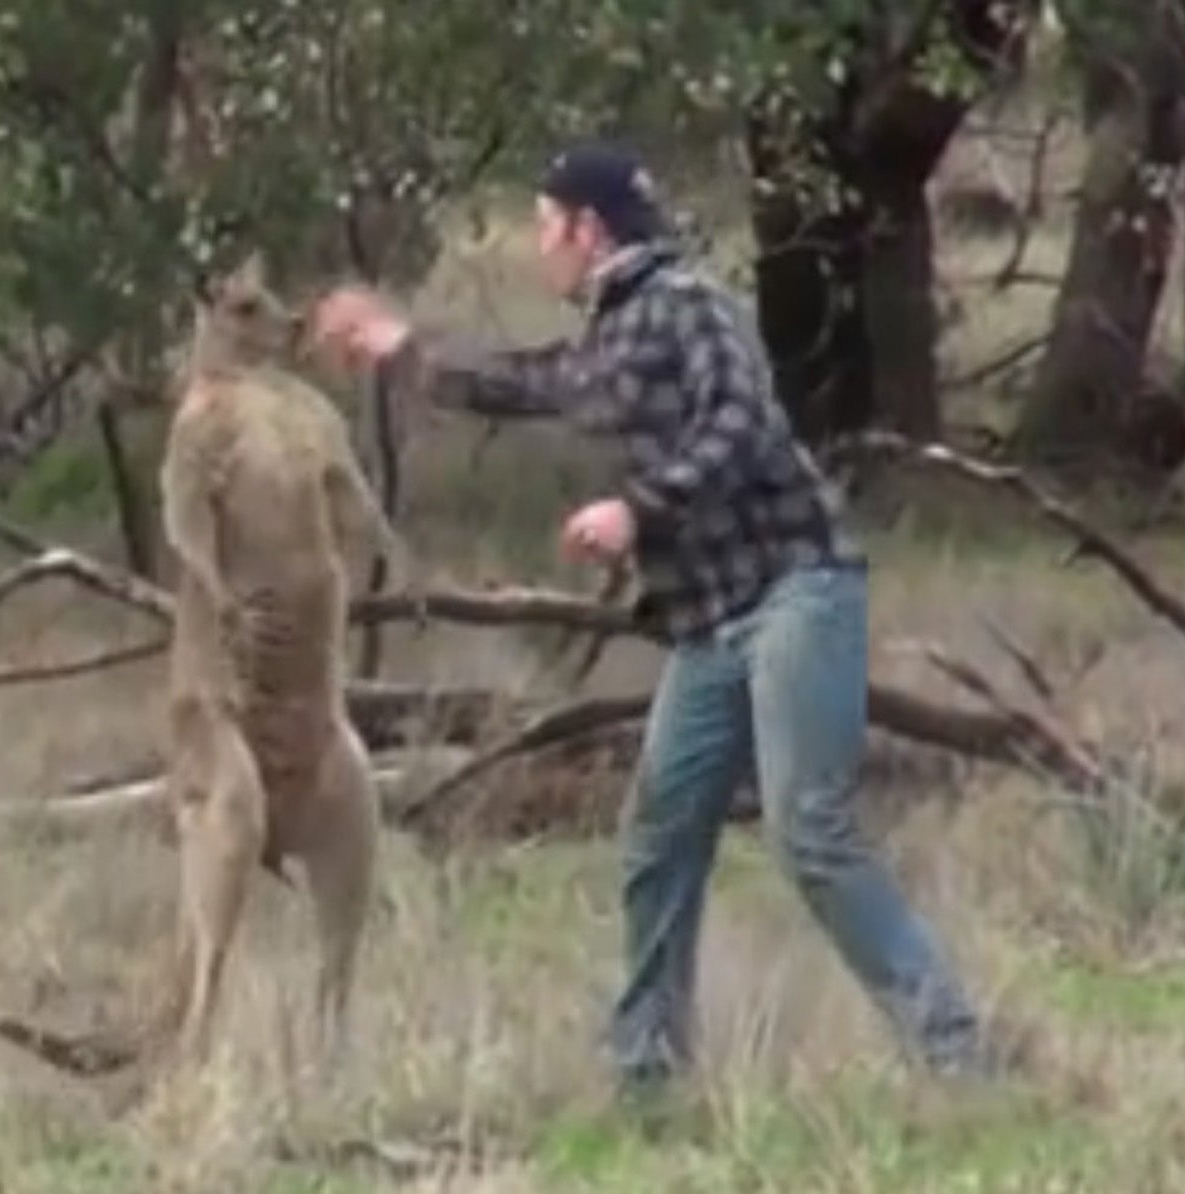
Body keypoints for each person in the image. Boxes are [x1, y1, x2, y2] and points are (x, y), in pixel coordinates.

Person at [311, 140, 992, 1096]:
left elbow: (742, 423)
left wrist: (642, 508)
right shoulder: (612, 333)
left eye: (547, 228)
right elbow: (530, 380)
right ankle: (649, 1074)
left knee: (809, 832)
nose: (540, 247)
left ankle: (956, 1056)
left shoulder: (689, 307)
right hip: (710, 622)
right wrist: (401, 350)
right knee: (660, 834)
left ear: (590, 231)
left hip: (796, 589)